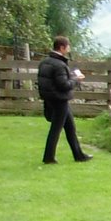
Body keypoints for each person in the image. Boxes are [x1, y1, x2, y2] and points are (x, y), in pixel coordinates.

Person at [36, 35, 91, 164]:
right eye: (68, 46)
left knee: (70, 128)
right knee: (56, 129)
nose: (69, 49)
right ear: (62, 48)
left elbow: (50, 81)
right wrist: (76, 80)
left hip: (50, 98)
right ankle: (48, 157)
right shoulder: (60, 65)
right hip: (59, 100)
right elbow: (64, 85)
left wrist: (69, 76)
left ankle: (78, 155)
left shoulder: (44, 62)